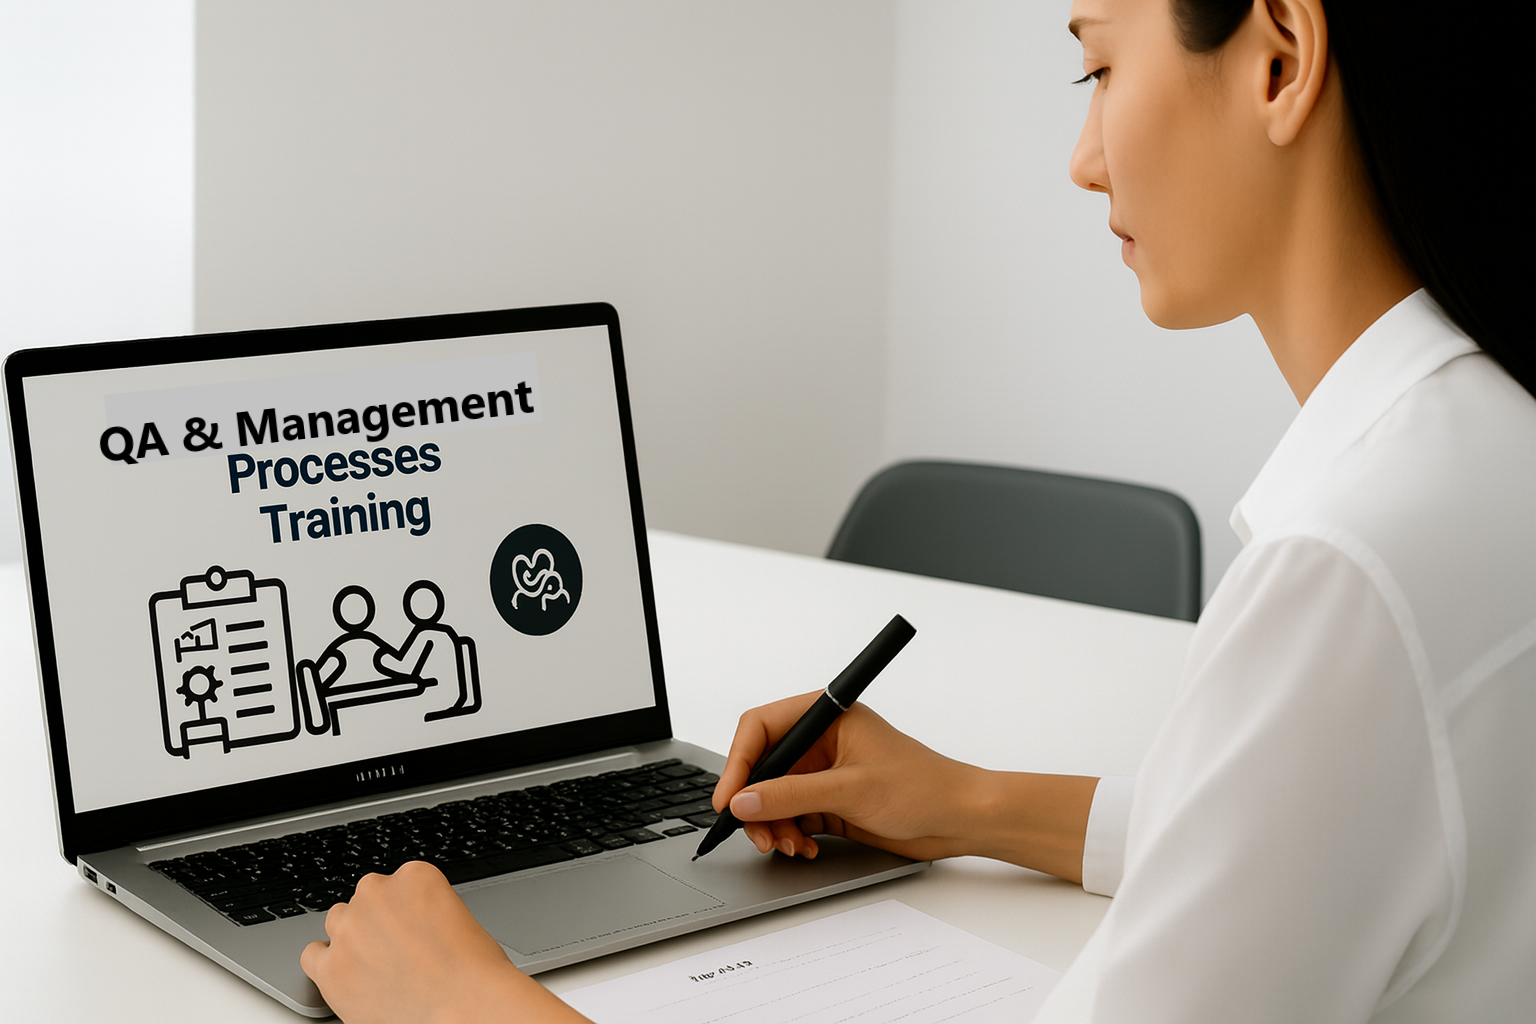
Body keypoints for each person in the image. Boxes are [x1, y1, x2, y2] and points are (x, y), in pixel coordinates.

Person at [300, 0, 1534, 1020]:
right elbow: (1304, 844)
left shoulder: (1352, 570)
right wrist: (969, 801)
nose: (1084, 154)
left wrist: (466, 1004)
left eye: (1099, 67)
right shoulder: (1482, 450)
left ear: (1280, 56)